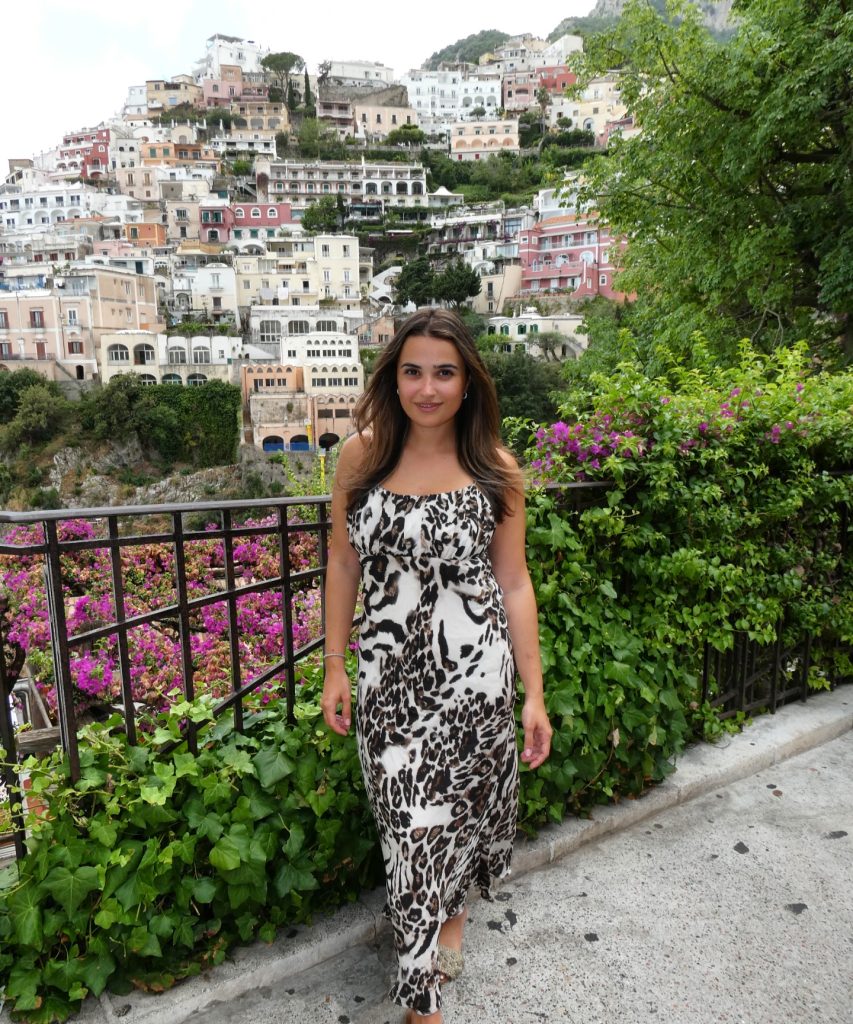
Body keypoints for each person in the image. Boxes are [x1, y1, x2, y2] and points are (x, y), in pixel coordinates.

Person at [321, 308, 552, 1023]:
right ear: (392, 379)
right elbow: (342, 561)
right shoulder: (360, 458)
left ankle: (424, 999)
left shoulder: (494, 469)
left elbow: (513, 582)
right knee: (410, 829)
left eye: (444, 373)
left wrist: (533, 694)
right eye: (412, 371)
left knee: (455, 818)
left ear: (468, 382)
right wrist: (334, 665)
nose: (427, 388)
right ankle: (433, 949)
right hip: (388, 685)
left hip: (475, 683)